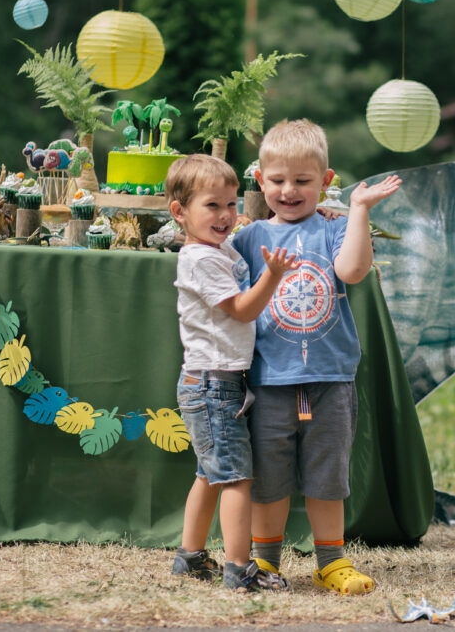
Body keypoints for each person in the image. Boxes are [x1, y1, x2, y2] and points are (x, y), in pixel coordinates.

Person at [231, 119, 401, 595]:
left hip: (331, 379)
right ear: (260, 181)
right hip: (269, 380)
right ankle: (265, 562)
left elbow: (352, 269)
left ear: (326, 182)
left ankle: (331, 561)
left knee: (328, 475)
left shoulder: (336, 229)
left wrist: (359, 210)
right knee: (269, 478)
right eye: (278, 180)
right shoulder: (248, 237)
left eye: (303, 181)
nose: (289, 191)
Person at [166, 154, 299, 592]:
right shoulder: (201, 260)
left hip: (214, 380)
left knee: (210, 473)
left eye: (230, 204)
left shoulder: (215, 249)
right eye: (212, 206)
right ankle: (241, 569)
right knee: (237, 479)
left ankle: (190, 558)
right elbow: (241, 310)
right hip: (212, 382)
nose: (225, 216)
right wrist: (274, 277)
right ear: (179, 212)